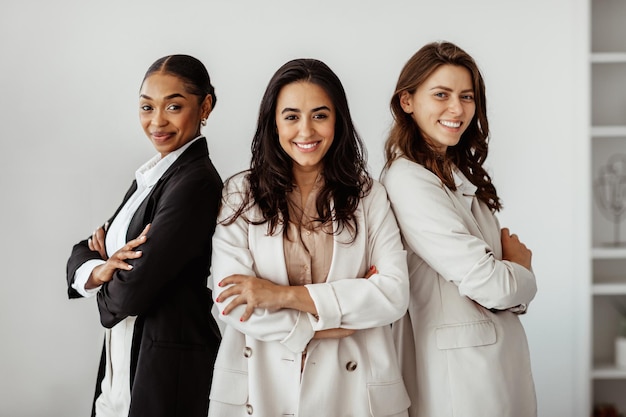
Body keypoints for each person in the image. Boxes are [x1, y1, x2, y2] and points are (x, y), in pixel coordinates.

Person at [208, 58, 410, 417]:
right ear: (273, 124)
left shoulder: (369, 195)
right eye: (291, 117)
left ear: (338, 121)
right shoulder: (240, 194)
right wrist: (325, 323)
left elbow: (393, 295)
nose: (306, 131)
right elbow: (233, 304)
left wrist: (282, 296)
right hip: (259, 386)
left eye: (319, 115)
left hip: (355, 390)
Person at [381, 41, 538, 417]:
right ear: (407, 101)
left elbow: (495, 285)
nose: (457, 109)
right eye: (441, 95)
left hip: (491, 363)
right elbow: (489, 281)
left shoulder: (455, 174)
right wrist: (523, 272)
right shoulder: (408, 181)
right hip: (461, 379)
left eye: (466, 96)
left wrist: (509, 282)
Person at [66, 54, 223, 417]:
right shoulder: (153, 177)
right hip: (121, 372)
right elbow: (83, 248)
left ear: (205, 106)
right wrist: (100, 269)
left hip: (167, 375)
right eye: (146, 107)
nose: (157, 121)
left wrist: (106, 278)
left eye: (173, 106)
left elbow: (131, 294)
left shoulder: (194, 182)